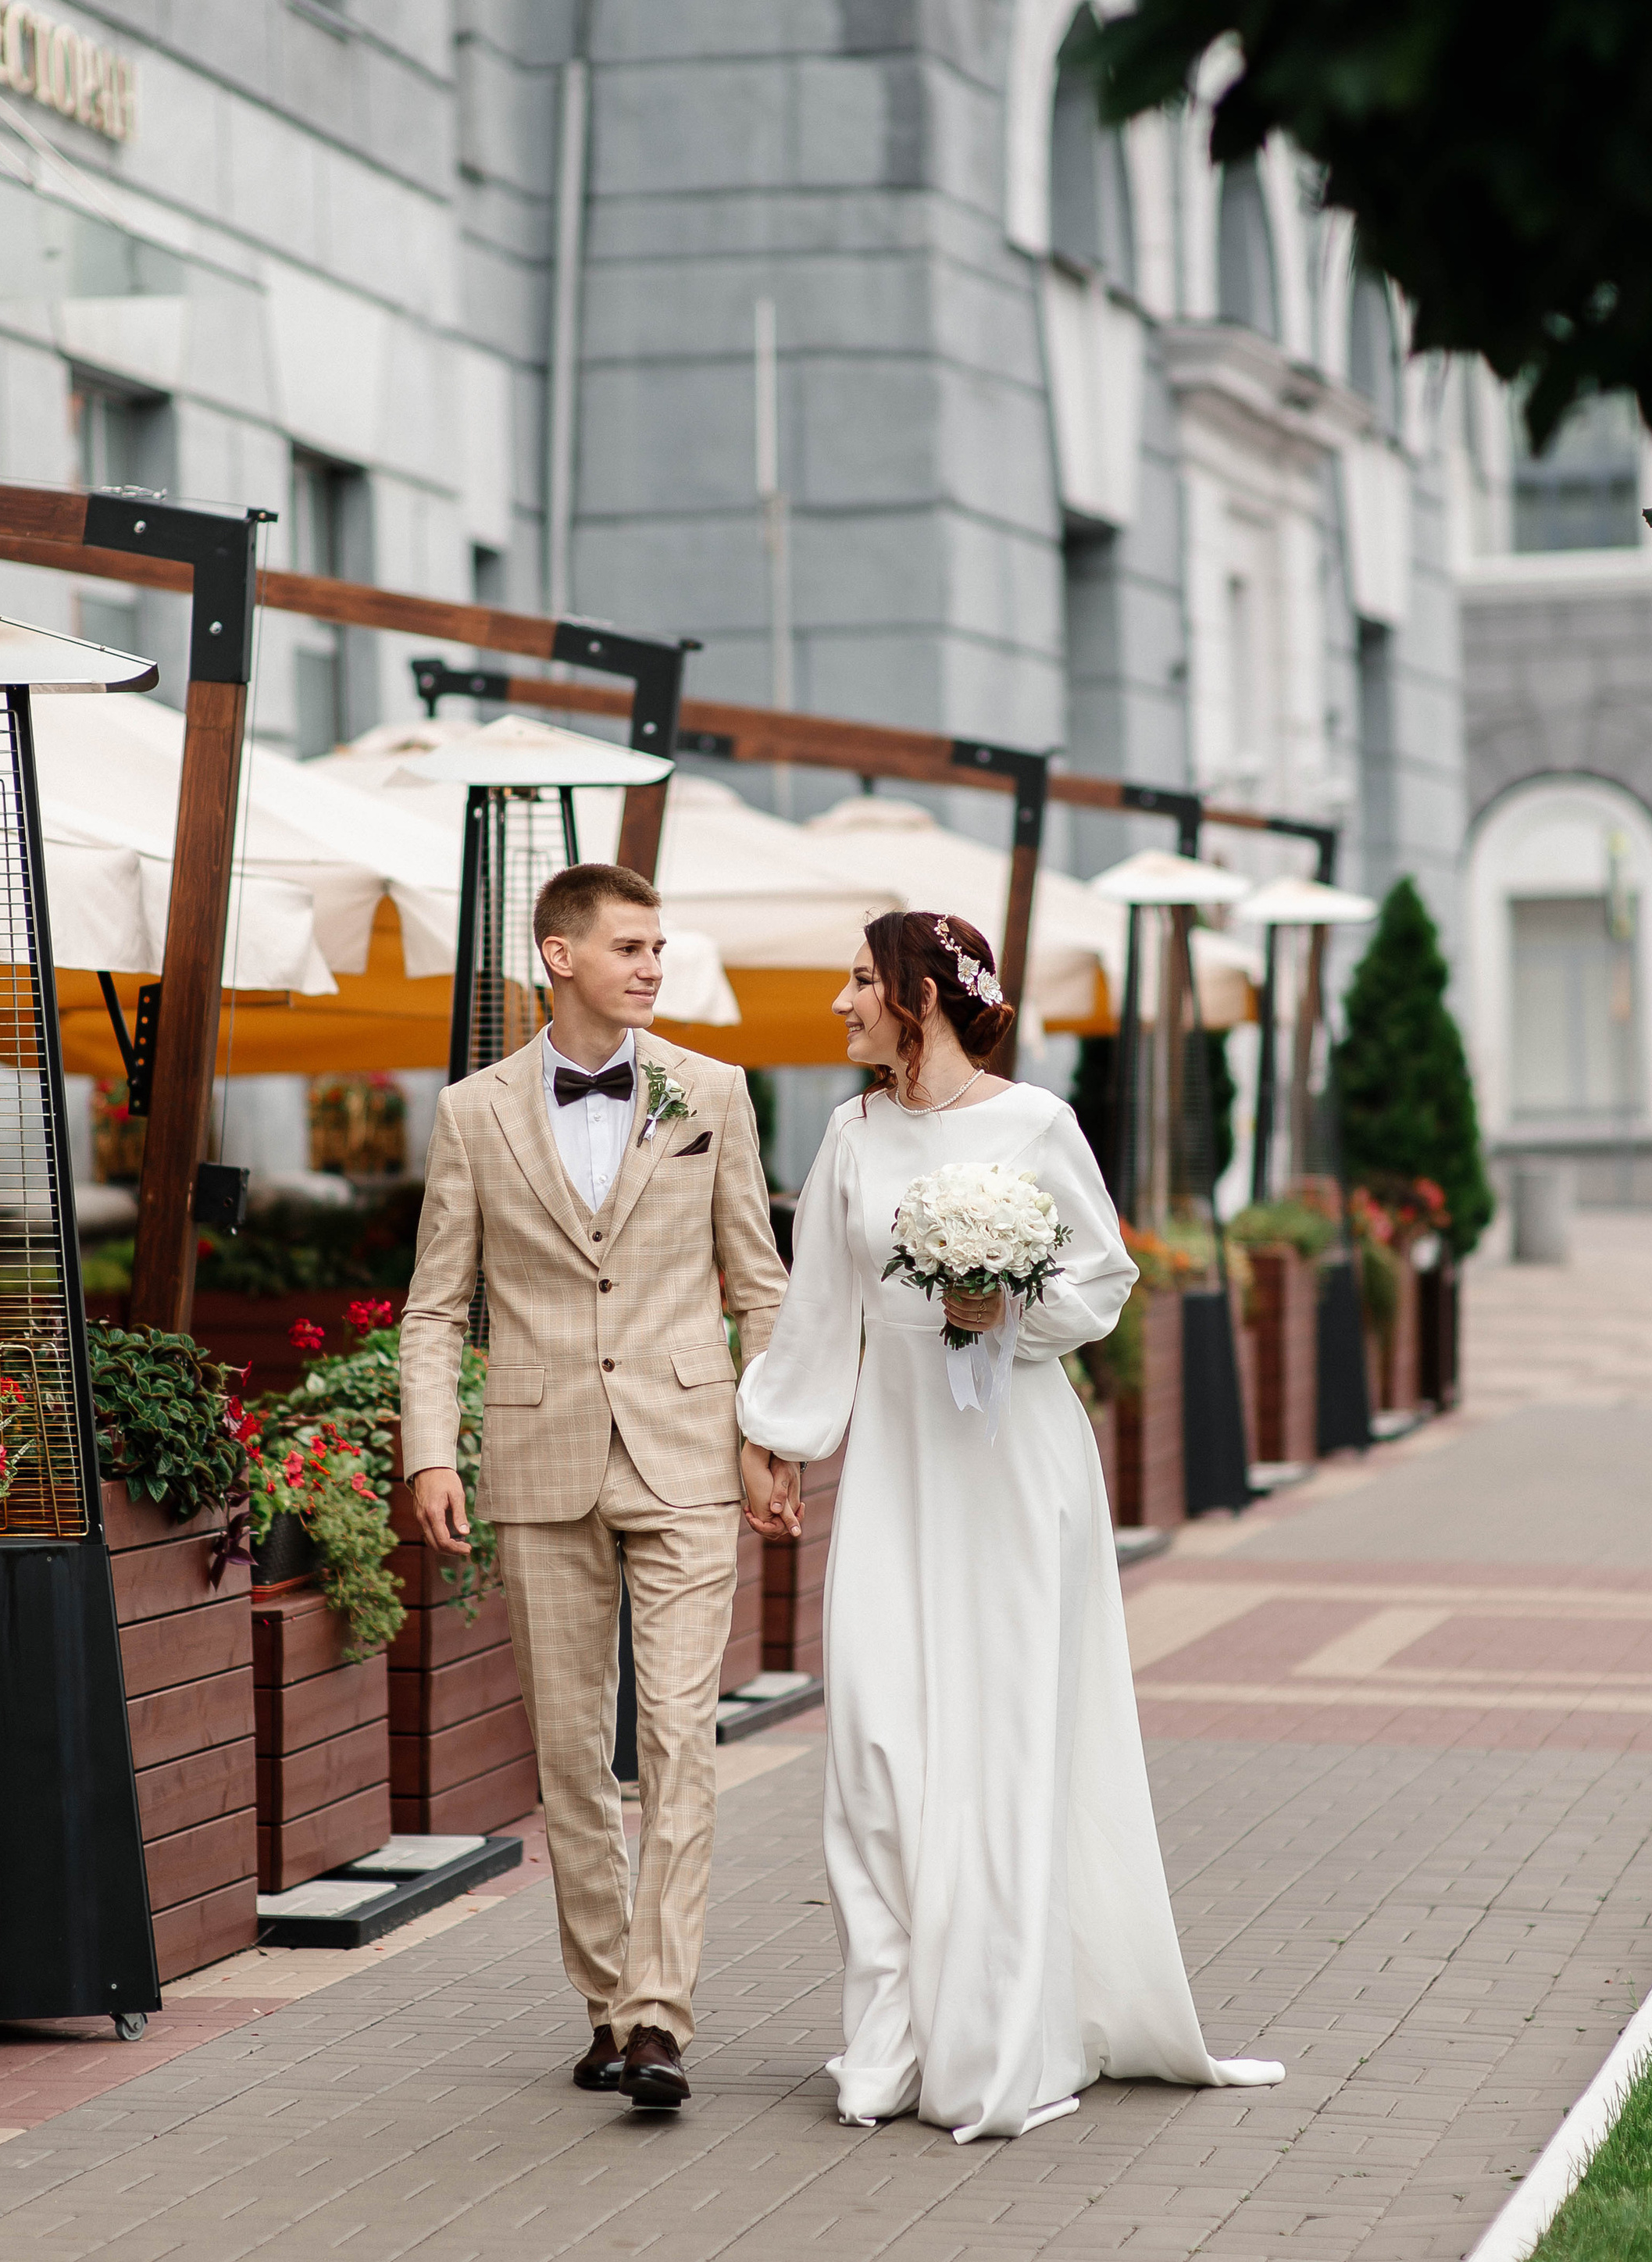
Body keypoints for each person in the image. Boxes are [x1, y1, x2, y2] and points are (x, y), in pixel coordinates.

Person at [737, 909, 1283, 2142]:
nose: (841, 1002)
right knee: (877, 1738)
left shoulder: (1037, 1124)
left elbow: (1103, 1276)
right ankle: (891, 2036)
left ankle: (1007, 2025)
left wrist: (1005, 1306)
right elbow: (816, 1305)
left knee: (1011, 1732)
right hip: (897, 1465)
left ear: (921, 996)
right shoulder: (849, 1133)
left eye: (861, 981)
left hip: (1017, 1463)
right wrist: (772, 1434)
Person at [400, 862, 791, 2113]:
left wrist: (765, 1430)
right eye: (629, 945)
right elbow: (432, 1307)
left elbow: (760, 1284)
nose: (652, 966)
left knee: (679, 1737)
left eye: (659, 946)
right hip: (540, 1453)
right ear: (558, 955)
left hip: (685, 1449)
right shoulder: (474, 1113)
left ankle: (659, 2014)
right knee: (571, 1753)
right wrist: (426, 1450)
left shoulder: (711, 1092)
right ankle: (604, 1999)